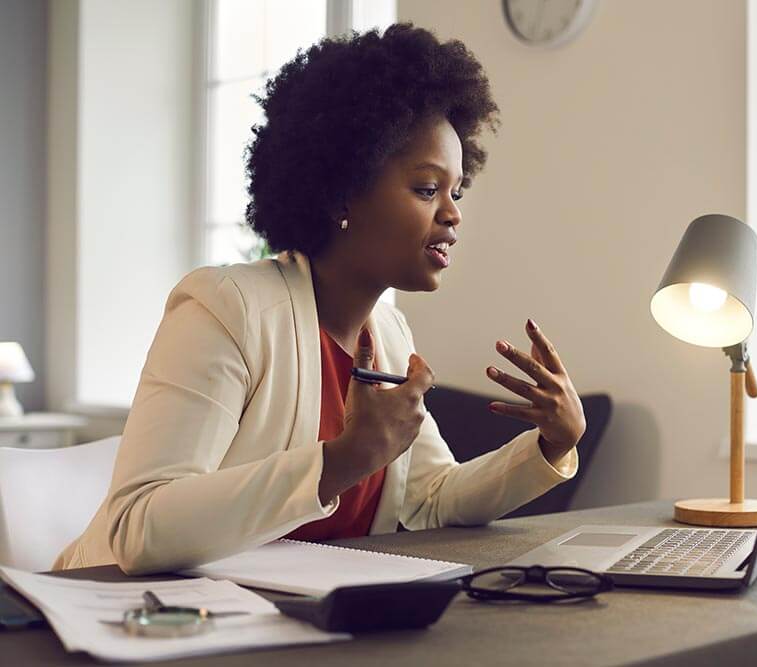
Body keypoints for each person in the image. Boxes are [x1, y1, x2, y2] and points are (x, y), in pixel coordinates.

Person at [54, 23, 586, 575]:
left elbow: (432, 499)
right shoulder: (227, 308)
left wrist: (551, 443)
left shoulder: (390, 336)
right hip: (130, 623)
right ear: (340, 192)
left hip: (296, 626)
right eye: (428, 189)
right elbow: (140, 528)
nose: (453, 213)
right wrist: (340, 462)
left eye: (456, 191)